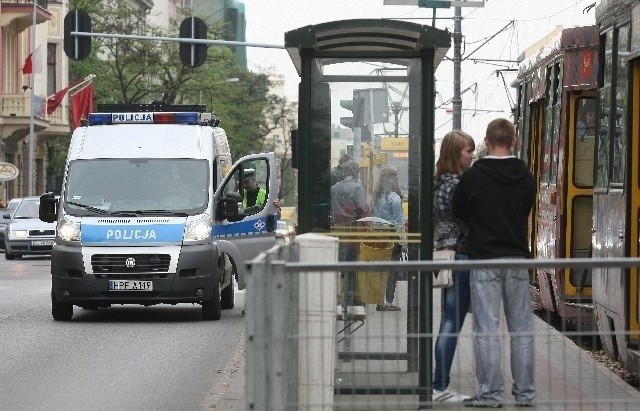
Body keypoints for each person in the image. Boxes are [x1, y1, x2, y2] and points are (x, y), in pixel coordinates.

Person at [452, 118, 536, 408]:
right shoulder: (526, 175)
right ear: (513, 141)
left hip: (484, 259)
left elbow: (459, 209)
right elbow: (525, 208)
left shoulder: (474, 176)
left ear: (487, 142)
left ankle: (490, 395)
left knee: (486, 329)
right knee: (521, 328)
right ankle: (525, 395)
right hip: (516, 259)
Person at [432, 130, 475, 402]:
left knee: (448, 320)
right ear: (455, 153)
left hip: (445, 254)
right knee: (451, 322)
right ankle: (439, 386)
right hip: (460, 253)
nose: (472, 155)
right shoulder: (456, 185)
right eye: (468, 150)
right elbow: (468, 220)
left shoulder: (436, 181)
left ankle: (439, 384)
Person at [331, 160, 370, 307]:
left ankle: (341, 298)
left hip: (337, 229)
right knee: (353, 265)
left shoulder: (334, 188)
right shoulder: (358, 188)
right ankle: (351, 298)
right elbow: (361, 207)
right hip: (352, 229)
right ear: (357, 173)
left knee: (341, 264)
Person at [370, 167, 406, 311]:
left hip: (378, 235)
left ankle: (379, 301)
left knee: (381, 270)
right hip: (391, 236)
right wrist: (403, 241)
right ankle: (389, 302)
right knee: (392, 270)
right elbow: (398, 222)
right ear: (394, 180)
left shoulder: (375, 197)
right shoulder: (395, 198)